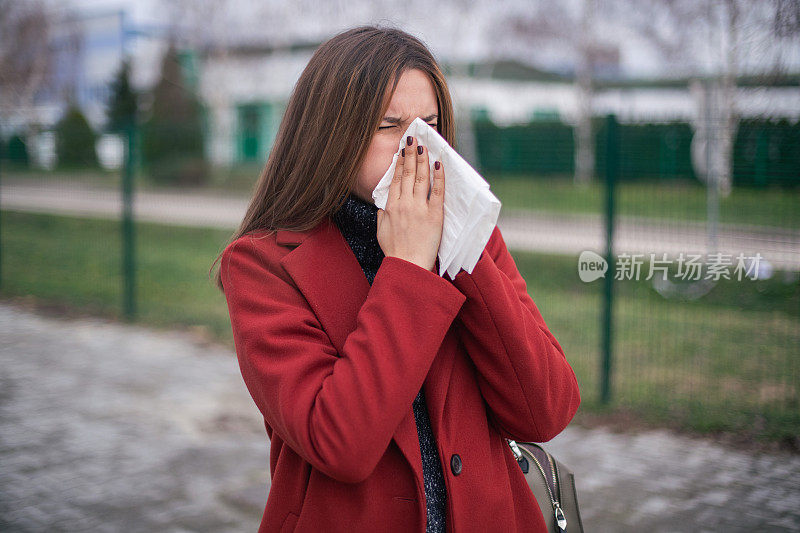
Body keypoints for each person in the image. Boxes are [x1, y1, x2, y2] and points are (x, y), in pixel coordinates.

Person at [211, 24, 580, 533]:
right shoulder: (261, 265)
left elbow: (546, 410)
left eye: (430, 121)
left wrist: (460, 247)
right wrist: (407, 266)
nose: (419, 144)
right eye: (390, 125)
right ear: (329, 135)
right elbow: (341, 443)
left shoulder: (473, 237)